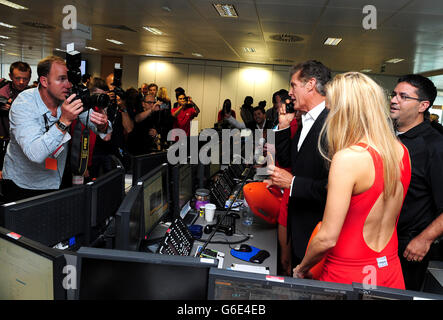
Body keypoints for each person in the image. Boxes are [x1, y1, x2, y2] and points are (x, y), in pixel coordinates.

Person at [291, 72, 411, 290]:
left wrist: (302, 267)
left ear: (344, 111)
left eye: (332, 109)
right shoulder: (401, 152)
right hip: (390, 270)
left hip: (348, 274)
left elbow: (327, 238)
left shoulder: (349, 158)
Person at [1, 56, 111, 202]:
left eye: (68, 79)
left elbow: (105, 132)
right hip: (23, 184)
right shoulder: (24, 103)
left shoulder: (67, 98)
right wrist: (64, 121)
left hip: (55, 180)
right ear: (44, 81)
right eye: (61, 79)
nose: (68, 85)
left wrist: (102, 124)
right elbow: (35, 154)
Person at [267, 60, 331, 267]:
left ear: (310, 84)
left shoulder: (332, 124)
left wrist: (292, 183)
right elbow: (289, 162)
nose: (290, 92)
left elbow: (333, 187)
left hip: (316, 229)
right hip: (299, 223)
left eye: (293, 85)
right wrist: (284, 126)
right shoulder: (306, 119)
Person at [389, 74, 443, 291]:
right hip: (381, 240)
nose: (394, 100)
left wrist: (425, 239)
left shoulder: (435, 147)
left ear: (423, 105)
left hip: (408, 246)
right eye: (393, 94)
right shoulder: (389, 137)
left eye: (403, 96)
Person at [0, 61, 32, 178]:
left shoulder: (33, 94)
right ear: (10, 76)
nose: (21, 82)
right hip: (3, 138)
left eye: (25, 79)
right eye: (17, 78)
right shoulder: (2, 89)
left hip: (23, 141)